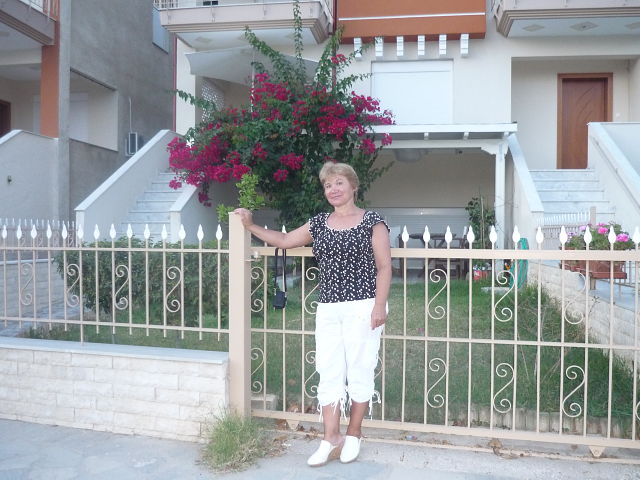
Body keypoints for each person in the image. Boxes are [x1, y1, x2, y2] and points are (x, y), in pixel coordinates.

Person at [234, 161, 391, 467]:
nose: (333, 189)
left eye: (339, 183)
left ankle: (354, 433)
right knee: (329, 369)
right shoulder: (319, 223)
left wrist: (379, 305)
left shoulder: (372, 221)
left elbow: (384, 267)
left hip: (363, 306)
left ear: (353, 186)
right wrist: (250, 226)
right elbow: (284, 240)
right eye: (328, 185)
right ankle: (331, 438)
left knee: (360, 369)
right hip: (329, 307)